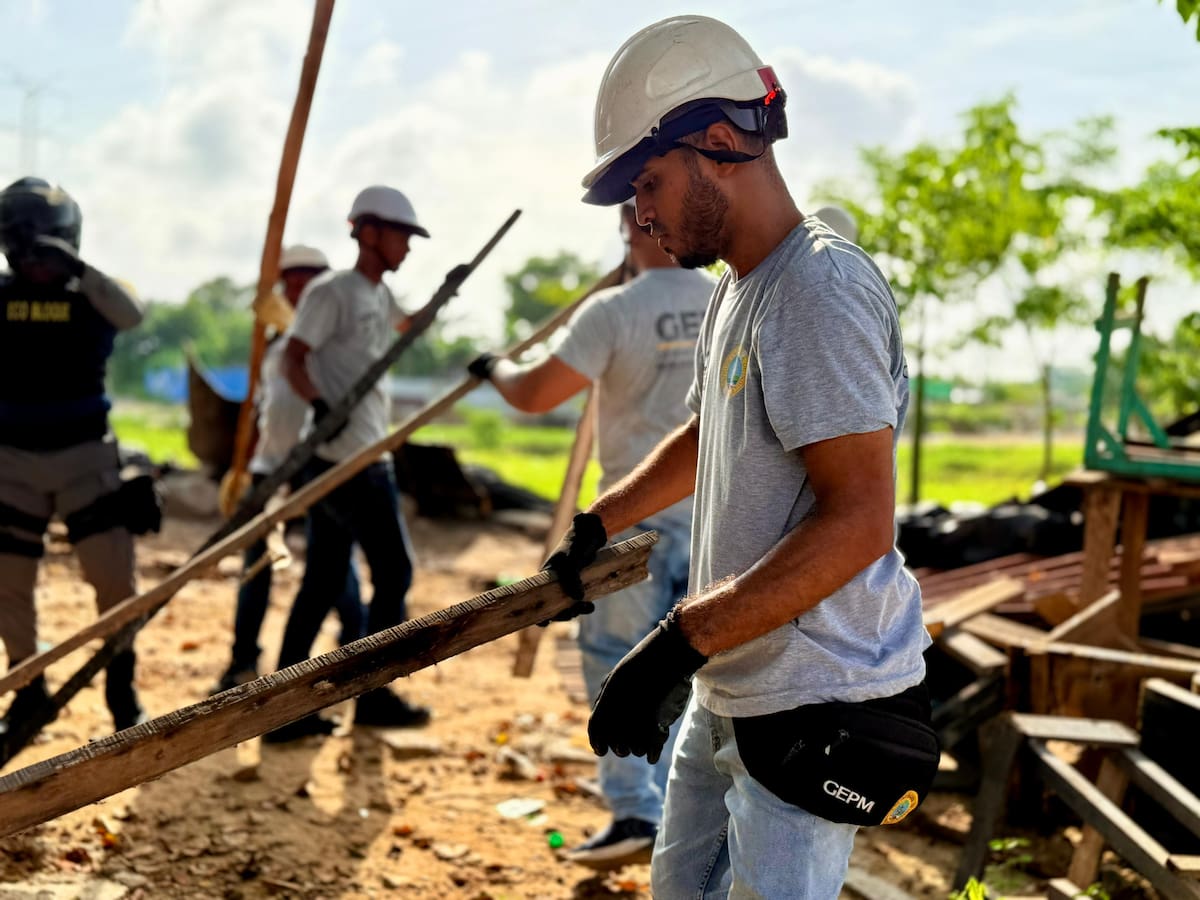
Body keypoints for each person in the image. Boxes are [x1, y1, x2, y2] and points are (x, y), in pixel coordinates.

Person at [546, 16, 939, 898]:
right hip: (734, 681)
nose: (638, 216)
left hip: (813, 699)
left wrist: (673, 643)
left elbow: (859, 523)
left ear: (720, 143)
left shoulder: (817, 290)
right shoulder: (739, 287)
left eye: (647, 182)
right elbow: (706, 434)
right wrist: (601, 520)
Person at [467, 200, 714, 868]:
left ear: (632, 229)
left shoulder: (613, 312)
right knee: (692, 678)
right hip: (719, 529)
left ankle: (637, 812)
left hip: (633, 527)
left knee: (614, 663)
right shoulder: (728, 300)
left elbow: (535, 394)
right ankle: (681, 825)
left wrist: (493, 368)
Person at [265, 187, 431, 743]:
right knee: (395, 572)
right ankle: (373, 692)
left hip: (362, 452)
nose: (407, 247)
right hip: (346, 461)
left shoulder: (379, 296)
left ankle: (283, 707)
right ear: (368, 231)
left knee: (323, 580)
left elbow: (405, 326)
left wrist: (444, 297)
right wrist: (319, 406)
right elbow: (293, 356)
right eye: (401, 235)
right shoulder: (330, 291)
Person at [0, 177, 153, 747]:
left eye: (47, 245)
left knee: (113, 579)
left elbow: (133, 315)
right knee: (9, 583)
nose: (35, 259)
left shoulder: (96, 295)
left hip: (86, 460)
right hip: (11, 461)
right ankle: (27, 691)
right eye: (23, 245)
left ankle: (121, 687)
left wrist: (76, 268)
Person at [210, 245, 366, 695]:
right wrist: (243, 470)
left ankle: (357, 650)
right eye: (290, 284)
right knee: (256, 567)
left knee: (335, 569)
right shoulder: (277, 349)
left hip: (321, 468)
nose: (298, 291)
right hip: (271, 469)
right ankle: (242, 661)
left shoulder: (338, 350)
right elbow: (265, 413)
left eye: (307, 283)